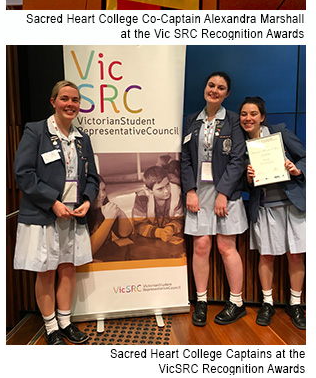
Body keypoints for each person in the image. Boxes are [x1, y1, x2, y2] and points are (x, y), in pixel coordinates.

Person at [13, 80, 99, 344]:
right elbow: (23, 173)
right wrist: (52, 202)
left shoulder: (82, 139)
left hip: (73, 216)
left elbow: (93, 178)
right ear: (53, 102)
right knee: (47, 271)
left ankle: (65, 322)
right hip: (44, 215)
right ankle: (51, 328)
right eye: (64, 99)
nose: (70, 104)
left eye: (75, 100)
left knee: (68, 268)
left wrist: (87, 199)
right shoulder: (36, 131)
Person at [181, 71, 248, 327]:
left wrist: (223, 193)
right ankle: (201, 301)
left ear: (227, 94)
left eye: (221, 88)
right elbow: (185, 159)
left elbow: (238, 159)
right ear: (205, 88)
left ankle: (237, 302)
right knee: (201, 246)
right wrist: (189, 190)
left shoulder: (233, 120)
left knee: (225, 246)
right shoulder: (191, 121)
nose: (215, 90)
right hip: (198, 193)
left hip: (224, 193)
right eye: (211, 85)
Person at [239, 96, 306, 330]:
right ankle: (267, 302)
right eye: (244, 114)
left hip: (292, 204)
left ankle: (294, 304)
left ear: (262, 117)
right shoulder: (241, 145)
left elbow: (306, 157)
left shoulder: (280, 133)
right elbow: (243, 185)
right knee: (266, 255)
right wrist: (247, 179)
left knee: (295, 255)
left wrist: (297, 170)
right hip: (265, 207)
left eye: (253, 114)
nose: (248, 118)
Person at [129, 166, 185, 260]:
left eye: (167, 185)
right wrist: (159, 232)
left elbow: (179, 220)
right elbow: (139, 224)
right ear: (149, 190)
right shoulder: (142, 197)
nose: (166, 191)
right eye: (160, 189)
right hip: (147, 240)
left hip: (170, 238)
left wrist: (170, 229)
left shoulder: (178, 193)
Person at [88, 175, 133, 261]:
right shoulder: (77, 215)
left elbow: (124, 234)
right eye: (96, 191)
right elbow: (87, 251)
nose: (102, 195)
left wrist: (120, 213)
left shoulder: (103, 208)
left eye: (104, 189)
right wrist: (109, 220)